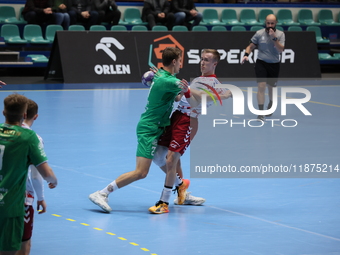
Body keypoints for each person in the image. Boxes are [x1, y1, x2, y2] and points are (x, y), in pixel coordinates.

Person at [89, 47, 189, 213]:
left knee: (172, 161)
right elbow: (189, 93)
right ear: (174, 61)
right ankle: (102, 193)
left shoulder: (165, 77)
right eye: (180, 61)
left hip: (159, 127)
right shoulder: (169, 81)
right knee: (141, 172)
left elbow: (177, 96)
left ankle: (182, 190)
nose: (181, 64)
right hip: (149, 130)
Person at [149, 49, 232, 213]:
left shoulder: (215, 84)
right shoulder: (198, 80)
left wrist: (185, 88)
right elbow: (181, 98)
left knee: (172, 159)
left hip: (188, 121)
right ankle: (182, 190)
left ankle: (163, 203)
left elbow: (197, 101)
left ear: (215, 64)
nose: (203, 62)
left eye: (207, 60)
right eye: (202, 59)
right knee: (159, 155)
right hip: (176, 117)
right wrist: (167, 83)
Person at [0, 94, 58, 255]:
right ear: (25, 115)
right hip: (12, 204)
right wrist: (53, 181)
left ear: (4, 112)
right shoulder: (29, 137)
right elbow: (42, 174)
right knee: (16, 248)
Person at [241, 14, 285, 122]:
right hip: (261, 62)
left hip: (274, 64)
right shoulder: (259, 33)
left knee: (271, 88)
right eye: (268, 23)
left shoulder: (280, 34)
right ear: (265, 22)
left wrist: (274, 38)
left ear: (276, 23)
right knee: (261, 86)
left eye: (272, 23)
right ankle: (260, 113)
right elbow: (251, 46)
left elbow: (281, 50)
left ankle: (271, 103)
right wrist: (246, 54)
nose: (270, 25)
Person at [18, 99, 47, 255]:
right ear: (35, 116)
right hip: (21, 197)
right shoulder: (34, 139)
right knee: (24, 243)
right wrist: (41, 197)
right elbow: (37, 176)